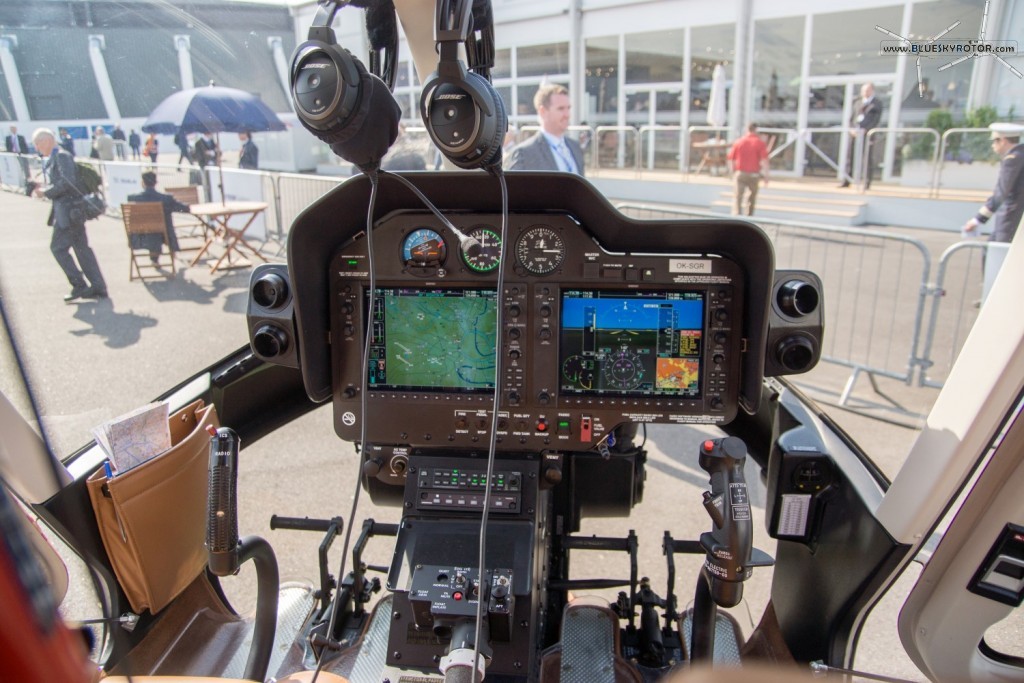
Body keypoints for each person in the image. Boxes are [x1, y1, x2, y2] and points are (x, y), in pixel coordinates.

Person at [30, 128, 107, 302]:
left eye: (37, 143)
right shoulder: (59, 156)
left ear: (46, 141)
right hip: (72, 211)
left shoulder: (61, 156)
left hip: (69, 212)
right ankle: (98, 286)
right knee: (82, 249)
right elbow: (64, 181)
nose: (36, 147)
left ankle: (79, 284)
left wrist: (46, 193)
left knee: (58, 248)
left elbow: (67, 182)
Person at [962, 123, 1024, 244]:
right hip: (1016, 216)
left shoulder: (1012, 159)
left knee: (996, 254)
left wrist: (978, 219)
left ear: (1003, 141)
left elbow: (1001, 193)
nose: (992, 146)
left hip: (1010, 217)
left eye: (994, 141)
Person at [505, 83, 585, 176]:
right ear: (543, 111)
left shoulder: (575, 147)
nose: (567, 115)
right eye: (561, 109)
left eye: (568, 108)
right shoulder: (524, 154)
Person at [127, 171, 191, 262]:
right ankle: (172, 255)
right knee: (164, 225)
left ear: (143, 183)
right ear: (156, 183)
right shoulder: (165, 198)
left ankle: (154, 258)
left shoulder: (133, 198)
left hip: (142, 234)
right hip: (163, 233)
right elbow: (184, 208)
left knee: (152, 230)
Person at [839, 82, 883, 189]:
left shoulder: (877, 104)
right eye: (863, 90)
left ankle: (867, 183)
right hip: (854, 134)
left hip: (867, 135)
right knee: (850, 157)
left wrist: (865, 130)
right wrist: (852, 129)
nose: (864, 92)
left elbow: (875, 120)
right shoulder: (857, 102)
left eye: (867, 90)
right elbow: (851, 118)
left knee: (867, 158)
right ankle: (847, 181)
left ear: (872, 91)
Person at [727, 122, 770, 216]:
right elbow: (764, 161)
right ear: (756, 130)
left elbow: (731, 159)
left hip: (740, 173)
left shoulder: (739, 141)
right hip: (754, 174)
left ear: (747, 130)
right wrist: (766, 176)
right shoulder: (759, 143)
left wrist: (732, 173)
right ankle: (749, 217)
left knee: (738, 196)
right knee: (752, 197)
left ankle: (736, 215)